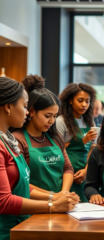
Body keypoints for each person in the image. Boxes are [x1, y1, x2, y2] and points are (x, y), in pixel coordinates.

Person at [0, 77, 79, 240]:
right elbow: (4, 201)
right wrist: (53, 205)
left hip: (22, 224)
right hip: (6, 230)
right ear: (8, 107)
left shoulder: (8, 141)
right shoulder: (10, 142)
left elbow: (20, 186)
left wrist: (55, 196)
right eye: (24, 106)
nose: (27, 112)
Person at [13, 75, 74, 196]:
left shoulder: (56, 138)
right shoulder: (18, 140)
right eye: (47, 116)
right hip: (33, 204)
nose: (52, 121)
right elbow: (20, 181)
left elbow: (67, 168)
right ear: (31, 111)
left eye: (55, 116)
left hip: (60, 200)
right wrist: (53, 196)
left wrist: (64, 192)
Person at [56, 83, 97, 202]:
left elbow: (93, 149)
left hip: (84, 172)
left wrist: (86, 170)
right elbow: (57, 149)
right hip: (66, 173)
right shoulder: (60, 121)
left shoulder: (90, 122)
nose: (84, 104)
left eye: (87, 101)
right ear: (70, 100)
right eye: (80, 100)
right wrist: (83, 141)